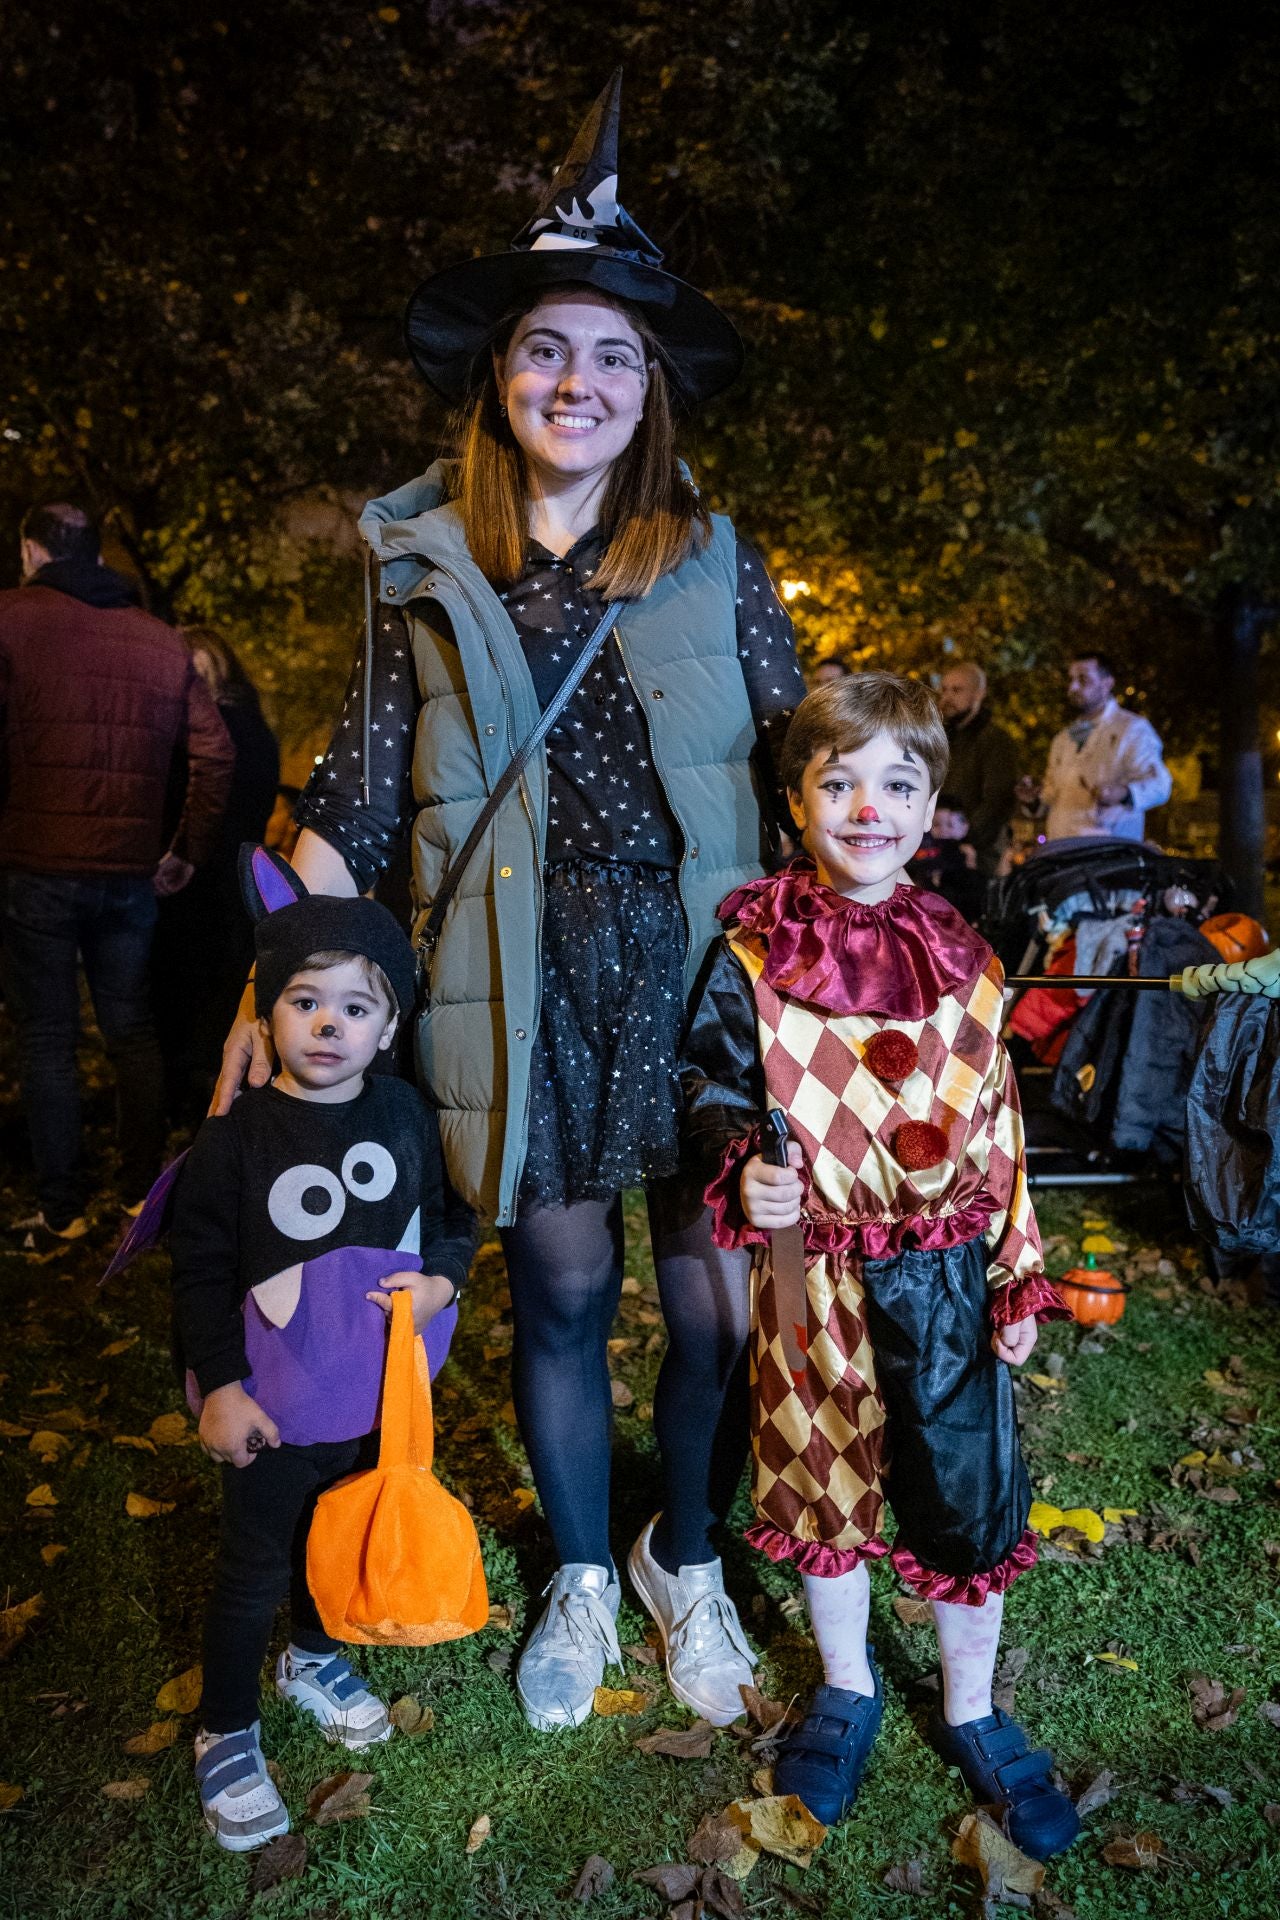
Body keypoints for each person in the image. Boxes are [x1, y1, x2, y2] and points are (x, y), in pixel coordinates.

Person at [213, 77, 807, 1735]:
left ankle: (683, 1551)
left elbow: (801, 747)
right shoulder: (418, 559)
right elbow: (353, 795)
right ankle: (580, 1573)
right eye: (550, 347)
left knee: (708, 1305)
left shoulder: (712, 554)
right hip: (515, 980)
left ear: (652, 391)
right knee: (555, 1293)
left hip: (694, 976)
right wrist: (286, 997)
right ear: (501, 372)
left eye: (616, 354)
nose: (580, 379)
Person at [681, 672, 1080, 1859]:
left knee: (964, 1486)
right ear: (794, 801)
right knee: (821, 1471)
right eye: (837, 782)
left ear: (928, 804)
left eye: (895, 784)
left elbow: (1001, 1124)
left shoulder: (963, 955)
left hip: (948, 1261)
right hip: (809, 1265)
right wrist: (742, 1157)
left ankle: (971, 1702)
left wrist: (1015, 1270)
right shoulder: (751, 951)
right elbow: (708, 1084)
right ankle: (848, 1684)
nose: (867, 807)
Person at [173, 850, 475, 1851]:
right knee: (255, 1560)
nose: (328, 1025)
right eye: (304, 1002)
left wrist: (439, 1278)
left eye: (354, 1008)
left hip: (374, 1393)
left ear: (387, 1029)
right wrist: (220, 1386)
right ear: (265, 1021)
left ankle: (309, 1653)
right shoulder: (233, 1142)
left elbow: (448, 1220)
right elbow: (202, 1273)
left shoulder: (404, 1116)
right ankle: (225, 1724)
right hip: (276, 1400)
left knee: (337, 1531)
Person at [0, 503, 234, 1246]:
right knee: (129, 1029)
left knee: (47, 1037)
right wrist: (185, 848)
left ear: (33, 550)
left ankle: (60, 1208)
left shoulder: (11, 618)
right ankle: (138, 1192)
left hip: (32, 862)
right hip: (130, 872)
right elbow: (217, 753)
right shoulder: (161, 641)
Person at [153, 628, 281, 1120]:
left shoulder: (203, 735)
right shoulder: (256, 729)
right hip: (237, 883)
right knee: (223, 993)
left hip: (194, 882)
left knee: (182, 993)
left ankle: (185, 1102)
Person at [1017, 652, 1171, 843]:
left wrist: (1123, 793)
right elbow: (1051, 797)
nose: (1073, 687)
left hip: (1109, 853)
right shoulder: (1063, 739)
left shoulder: (1132, 729)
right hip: (1062, 852)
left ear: (1107, 683)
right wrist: (1033, 799)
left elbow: (1160, 786)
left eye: (1083, 679)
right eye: (1071, 679)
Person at [936, 660, 1019, 874]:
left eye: (957, 690)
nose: (947, 698)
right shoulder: (942, 740)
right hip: (942, 850)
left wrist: (967, 838)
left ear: (979, 693)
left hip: (978, 858)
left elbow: (997, 801)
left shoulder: (995, 741)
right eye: (944, 690)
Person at [909, 790, 986, 923]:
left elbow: (974, 900)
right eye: (936, 825)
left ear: (965, 827)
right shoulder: (924, 854)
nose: (943, 831)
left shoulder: (968, 854)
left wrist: (971, 865)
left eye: (950, 825)